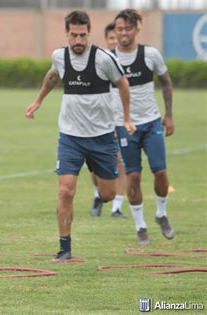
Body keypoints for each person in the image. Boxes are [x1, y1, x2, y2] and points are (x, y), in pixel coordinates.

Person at [25, 11, 135, 260]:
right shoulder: (59, 56)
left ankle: (96, 173)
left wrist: (126, 118)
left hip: (102, 136)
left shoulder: (104, 59)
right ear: (67, 33)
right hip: (70, 137)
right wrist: (38, 101)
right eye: (73, 35)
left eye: (83, 35)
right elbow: (52, 76)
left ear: (89, 33)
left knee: (107, 195)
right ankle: (65, 248)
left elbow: (123, 84)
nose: (78, 40)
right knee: (65, 191)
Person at [112, 9, 175, 246]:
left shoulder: (150, 54)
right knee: (134, 176)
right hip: (124, 126)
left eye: (128, 28)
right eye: (119, 29)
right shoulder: (109, 59)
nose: (123, 33)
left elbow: (166, 83)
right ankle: (140, 227)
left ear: (137, 29)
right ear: (115, 31)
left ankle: (161, 213)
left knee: (160, 172)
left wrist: (168, 116)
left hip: (151, 122)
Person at [89, 22, 128, 219]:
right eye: (111, 38)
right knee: (95, 164)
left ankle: (117, 207)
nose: (116, 41)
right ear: (107, 40)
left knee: (122, 163)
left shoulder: (127, 61)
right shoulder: (101, 60)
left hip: (122, 121)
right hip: (101, 121)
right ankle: (97, 195)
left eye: (118, 37)